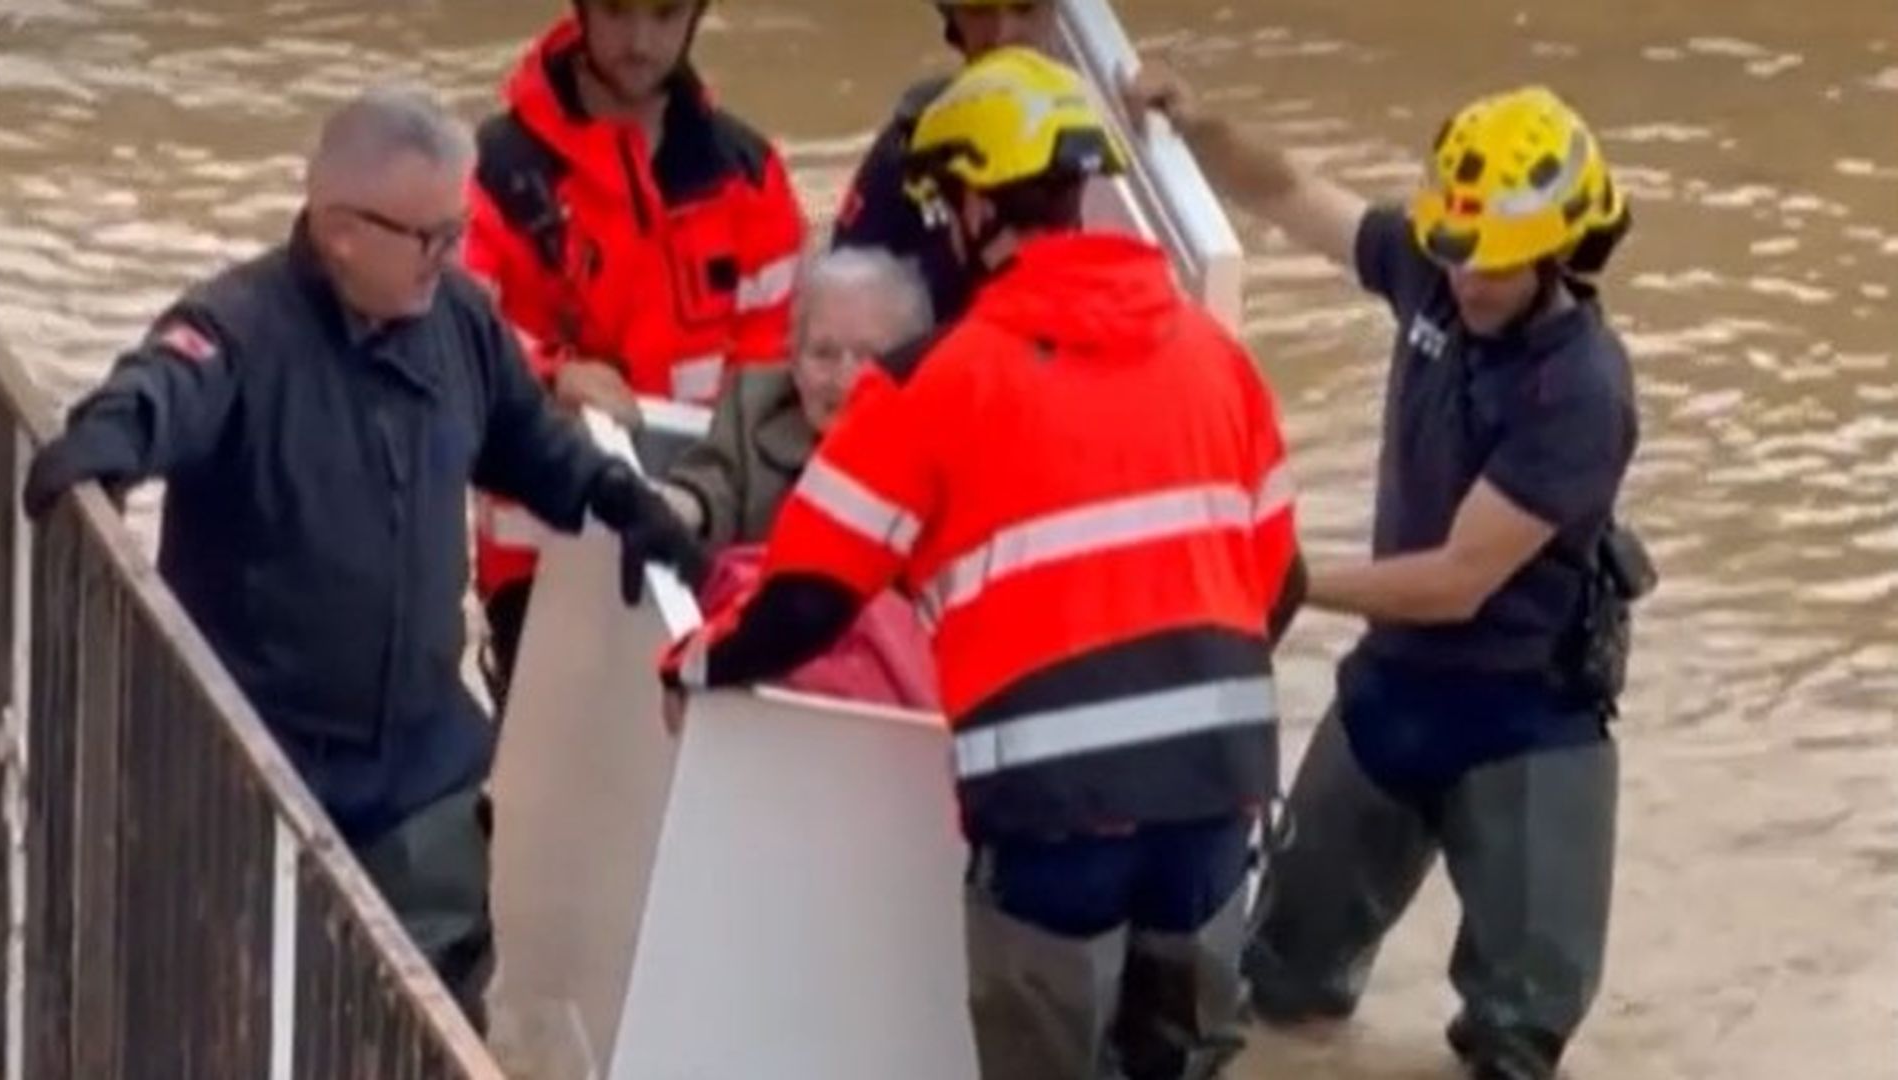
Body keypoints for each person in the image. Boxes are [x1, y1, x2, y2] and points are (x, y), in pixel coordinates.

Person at [659, 47, 1307, 1080]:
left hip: (1055, 821)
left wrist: (693, 662)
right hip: (1216, 807)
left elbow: (807, 598)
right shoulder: (1214, 356)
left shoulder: (931, 384)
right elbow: (1282, 583)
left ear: (970, 207)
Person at [17, 85, 707, 1031]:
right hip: (258, 769)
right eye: (427, 237)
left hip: (421, 770)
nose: (450, 256)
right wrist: (103, 448)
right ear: (341, 230)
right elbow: (156, 393)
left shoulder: (459, 321)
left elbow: (524, 443)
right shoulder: (239, 330)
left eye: (456, 231)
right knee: (238, 1015)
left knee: (429, 1016)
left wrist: (619, 500)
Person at [1127, 66, 1644, 1080]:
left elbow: (1458, 580)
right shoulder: (1438, 265)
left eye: (1489, 265)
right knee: (1277, 993)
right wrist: (1198, 124)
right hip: (1392, 696)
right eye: (1451, 253)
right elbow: (1291, 195)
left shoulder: (1580, 390)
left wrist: (1281, 577)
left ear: (1554, 251)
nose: (1463, 279)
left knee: (1516, 1043)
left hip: (1527, 723)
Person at [464, 0, 807, 710]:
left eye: (664, 14)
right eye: (618, 13)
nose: (640, 41)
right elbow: (453, 332)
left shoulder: (750, 176)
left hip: (706, 555)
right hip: (542, 563)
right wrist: (553, 376)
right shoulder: (494, 170)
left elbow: (776, 378)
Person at [657, 246, 934, 549]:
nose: (843, 380)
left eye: (869, 358)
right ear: (794, 358)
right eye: (823, 353)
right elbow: (712, 484)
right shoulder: (755, 402)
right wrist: (677, 509)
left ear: (911, 368)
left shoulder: (936, 452)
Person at [831, 0, 1057, 324]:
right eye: (980, 12)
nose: (1002, 34)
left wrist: (1153, 116)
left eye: (1024, 9)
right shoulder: (910, 146)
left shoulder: (1107, 133)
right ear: (955, 21)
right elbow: (842, 303)